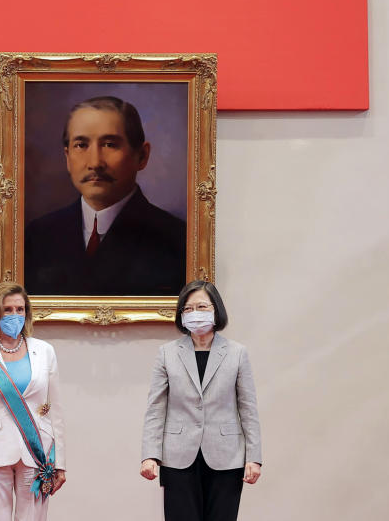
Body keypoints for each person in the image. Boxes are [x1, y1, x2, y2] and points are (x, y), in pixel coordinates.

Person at [24, 95, 186, 296]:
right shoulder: (37, 237)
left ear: (142, 156)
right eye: (81, 145)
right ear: (67, 157)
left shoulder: (177, 241)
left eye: (110, 144)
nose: (95, 162)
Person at [140, 280, 262, 521]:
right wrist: (150, 455)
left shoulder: (237, 353)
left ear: (216, 310)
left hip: (227, 457)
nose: (195, 314)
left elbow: (248, 409)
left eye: (202, 307)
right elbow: (156, 409)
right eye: (188, 309)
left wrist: (254, 457)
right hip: (178, 457)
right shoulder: (167, 353)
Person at [0, 282, 66, 520]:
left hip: (37, 453)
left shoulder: (45, 351)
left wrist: (61, 462)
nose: (15, 315)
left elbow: (55, 410)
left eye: (20, 309)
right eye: (8, 310)